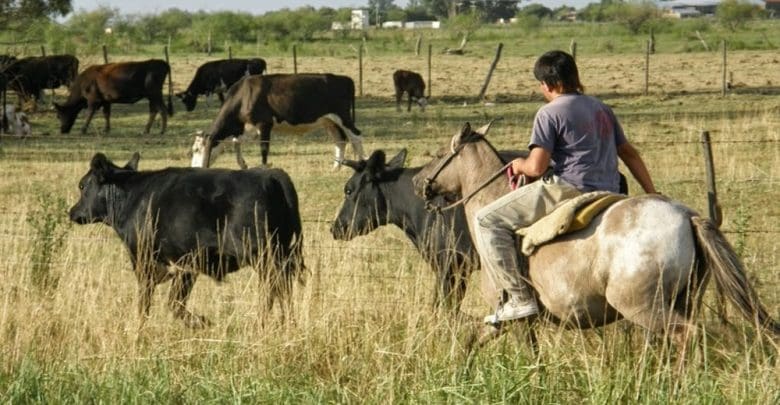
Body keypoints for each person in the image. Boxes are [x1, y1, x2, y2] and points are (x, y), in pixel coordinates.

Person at [476, 50, 657, 325]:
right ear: (575, 77)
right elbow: (629, 153)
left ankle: (518, 299)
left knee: (487, 220)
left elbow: (537, 167)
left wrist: (518, 165)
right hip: (612, 189)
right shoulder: (601, 108)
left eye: (541, 85)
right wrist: (652, 193)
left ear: (547, 84)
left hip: (570, 188)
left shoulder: (549, 113)